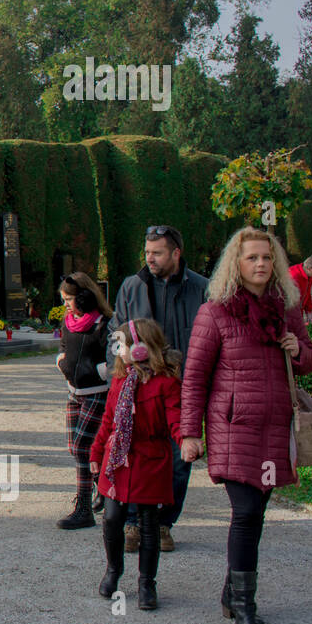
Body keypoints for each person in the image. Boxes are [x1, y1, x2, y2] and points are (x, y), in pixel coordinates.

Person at [180, 226, 312, 624]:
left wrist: (299, 350)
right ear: (235, 266)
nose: (261, 263)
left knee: (256, 514)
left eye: (266, 257)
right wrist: (190, 433)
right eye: (252, 257)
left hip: (276, 428)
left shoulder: (287, 309)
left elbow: (311, 360)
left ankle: (231, 592)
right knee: (244, 512)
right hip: (233, 427)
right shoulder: (216, 312)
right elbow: (194, 378)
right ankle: (245, 610)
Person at [108, 224, 208, 552]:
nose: (150, 258)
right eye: (147, 252)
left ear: (176, 253)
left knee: (180, 458)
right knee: (139, 454)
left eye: (158, 253)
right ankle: (135, 523)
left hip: (184, 386)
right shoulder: (131, 286)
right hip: (139, 386)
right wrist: (119, 373)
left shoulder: (202, 289)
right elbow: (116, 332)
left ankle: (165, 523)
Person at [90, 318, 182, 609]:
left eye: (124, 344)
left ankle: (146, 583)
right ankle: (113, 569)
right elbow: (108, 421)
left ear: (142, 348)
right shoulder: (119, 380)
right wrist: (95, 454)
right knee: (112, 518)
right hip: (118, 461)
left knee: (148, 523)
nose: (119, 349)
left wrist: (187, 439)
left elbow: (176, 419)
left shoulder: (166, 383)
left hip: (150, 460)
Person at [54, 272, 113, 530]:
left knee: (81, 447)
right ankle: (101, 486)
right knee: (75, 447)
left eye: (69, 299)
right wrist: (62, 363)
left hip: (98, 392)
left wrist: (99, 372)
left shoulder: (105, 324)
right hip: (74, 392)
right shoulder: (68, 323)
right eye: (64, 299)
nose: (65, 304)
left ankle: (84, 508)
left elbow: (115, 358)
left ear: (86, 297)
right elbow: (64, 349)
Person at [288, 253, 312, 322]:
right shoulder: (293, 276)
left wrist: (309, 310)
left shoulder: (310, 275)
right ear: (309, 269)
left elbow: (307, 293)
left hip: (298, 312)